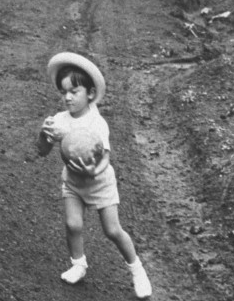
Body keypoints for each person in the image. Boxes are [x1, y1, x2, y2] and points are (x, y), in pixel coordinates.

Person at [36, 52, 153, 299]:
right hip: (73, 182)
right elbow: (42, 152)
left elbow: (106, 159)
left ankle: (137, 270)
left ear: (89, 94)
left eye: (74, 91)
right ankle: (78, 264)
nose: (67, 97)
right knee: (73, 224)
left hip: (100, 183)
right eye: (63, 92)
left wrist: (92, 171)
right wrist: (43, 134)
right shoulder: (58, 121)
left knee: (112, 230)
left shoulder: (97, 123)